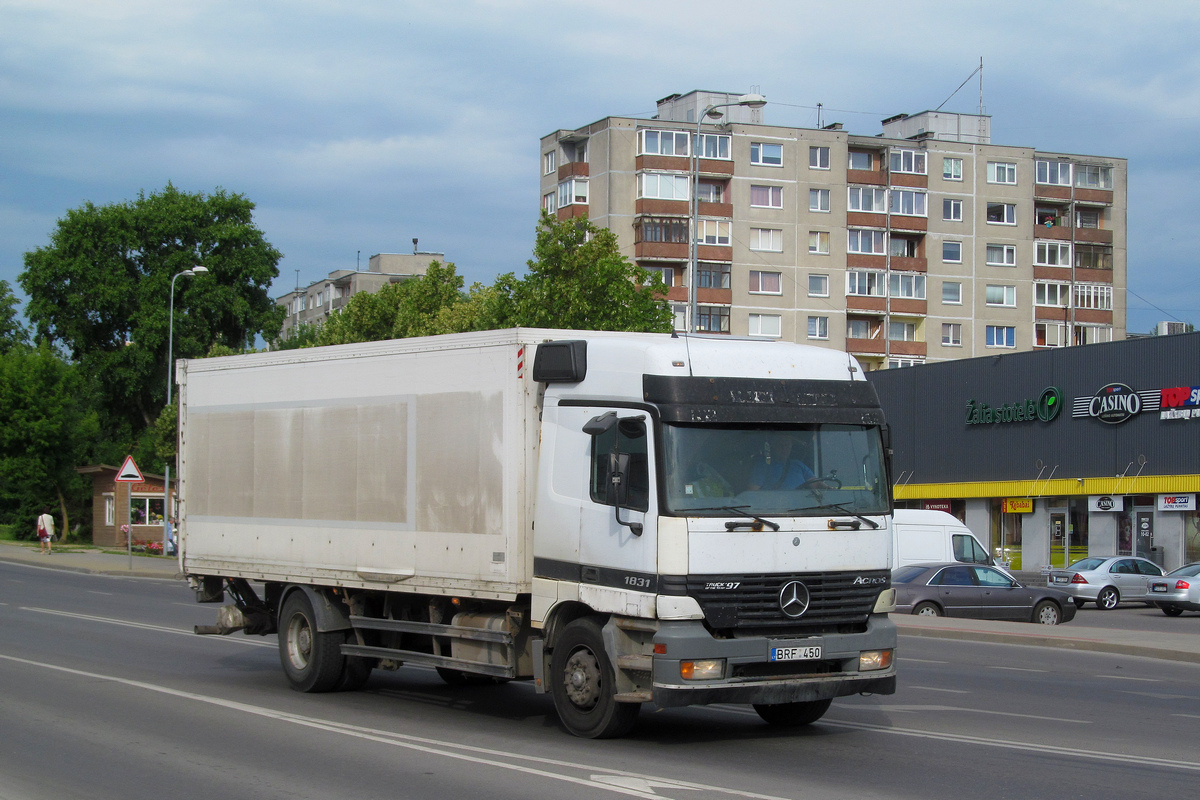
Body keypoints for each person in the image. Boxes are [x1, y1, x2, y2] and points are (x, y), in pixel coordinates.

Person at [747, 432, 820, 491]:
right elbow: (753, 492)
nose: (784, 448)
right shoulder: (762, 466)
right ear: (773, 446)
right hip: (774, 508)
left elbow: (815, 484)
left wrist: (830, 489)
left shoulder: (799, 465)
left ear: (791, 446)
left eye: (787, 445)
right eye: (781, 445)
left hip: (802, 507)